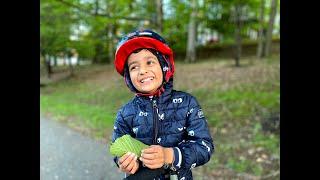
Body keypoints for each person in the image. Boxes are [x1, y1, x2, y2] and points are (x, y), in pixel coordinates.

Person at [111, 29, 214, 180]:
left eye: (150, 62)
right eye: (134, 67)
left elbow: (204, 147)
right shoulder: (125, 114)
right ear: (128, 76)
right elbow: (118, 149)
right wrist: (123, 162)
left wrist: (169, 155)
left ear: (164, 65)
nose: (142, 71)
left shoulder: (187, 104)